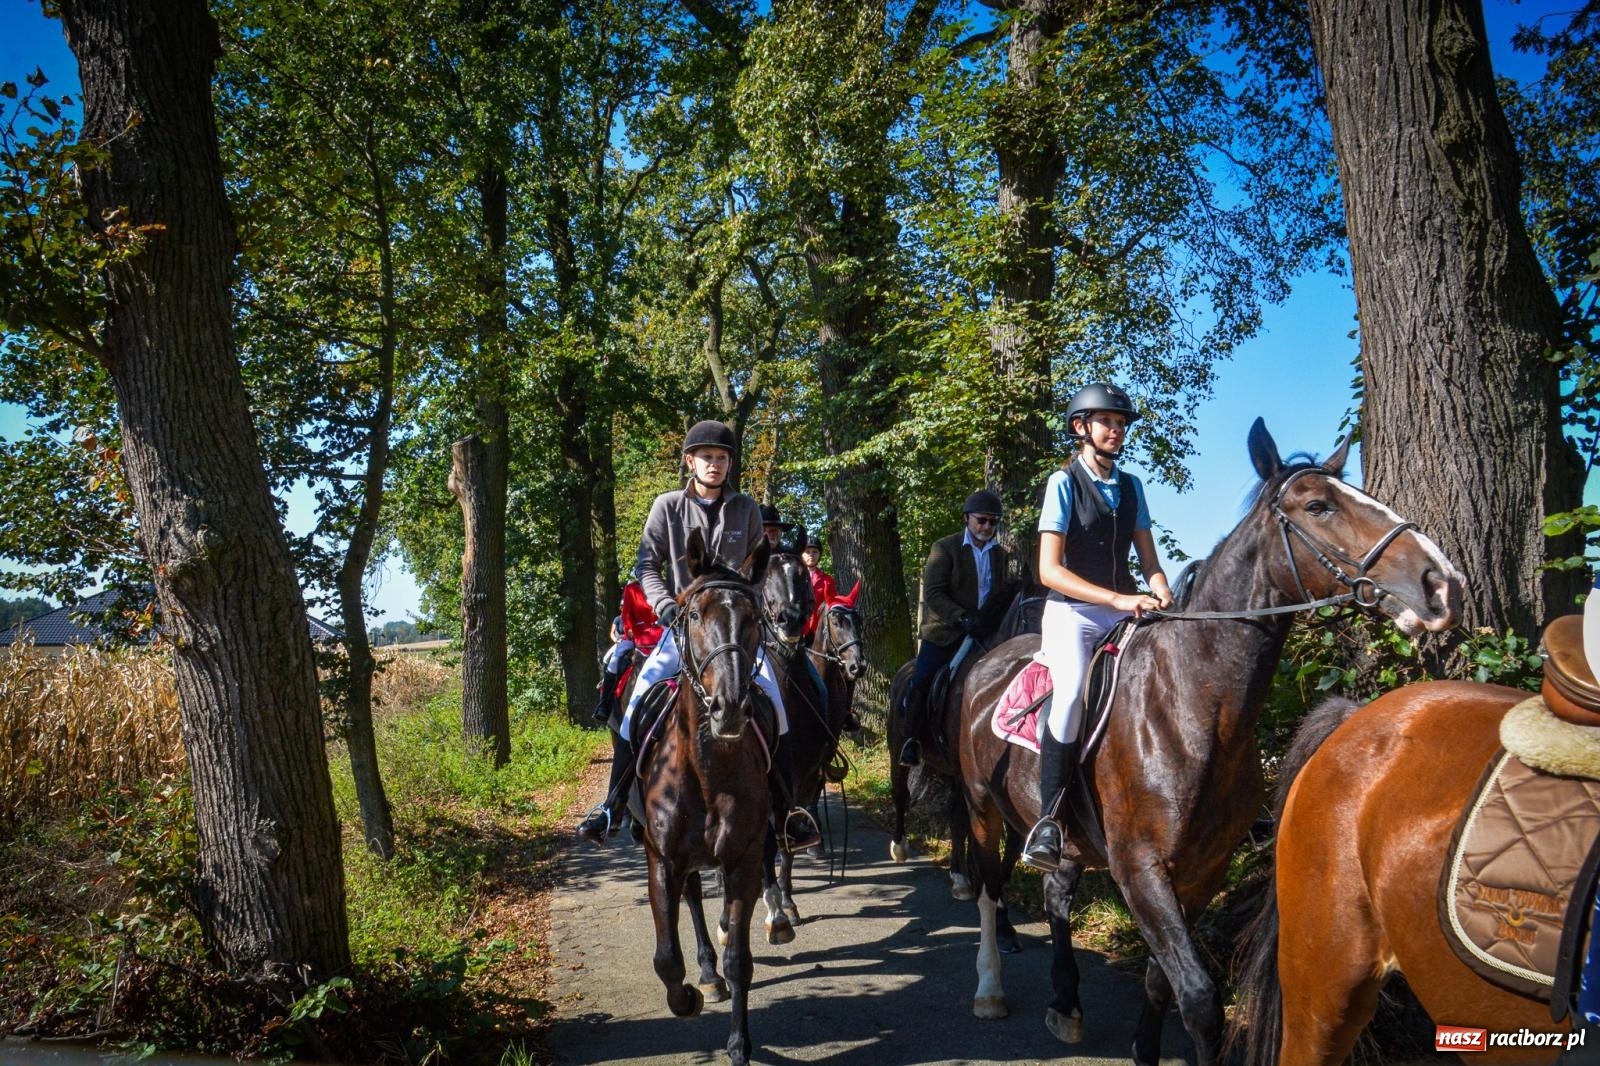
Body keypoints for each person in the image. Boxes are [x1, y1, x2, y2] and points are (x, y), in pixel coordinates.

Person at [577, 420, 821, 851]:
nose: (714, 464)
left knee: (775, 705)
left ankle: (788, 813)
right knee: (638, 700)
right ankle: (613, 805)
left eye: (722, 458)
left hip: (730, 630)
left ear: (730, 463)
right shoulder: (666, 507)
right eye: (707, 457)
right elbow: (646, 566)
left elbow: (755, 570)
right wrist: (665, 605)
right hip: (683, 627)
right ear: (690, 461)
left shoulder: (745, 508)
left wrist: (753, 612)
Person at [1021, 382, 1173, 872]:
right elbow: (1048, 570)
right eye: (1108, 421)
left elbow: (1149, 559)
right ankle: (1049, 821)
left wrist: (1161, 588)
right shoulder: (1062, 483)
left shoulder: (1132, 487)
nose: (1117, 430)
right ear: (1081, 427)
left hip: (1124, 606)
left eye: (1121, 422)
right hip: (1071, 613)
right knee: (1069, 697)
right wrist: (1115, 598)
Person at [898, 489, 1023, 768]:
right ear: (967, 518)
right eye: (982, 520)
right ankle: (910, 740)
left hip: (984, 632)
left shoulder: (1000, 555)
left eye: (993, 522)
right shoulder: (944, 547)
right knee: (922, 679)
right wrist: (962, 617)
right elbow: (933, 593)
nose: (987, 527)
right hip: (946, 631)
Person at [592, 579, 661, 723]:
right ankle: (604, 704)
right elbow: (627, 617)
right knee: (613, 660)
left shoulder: (661, 583)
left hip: (662, 637)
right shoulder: (632, 589)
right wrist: (631, 630)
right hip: (636, 637)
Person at [799, 543, 835, 642]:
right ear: (802, 554)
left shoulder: (827, 580)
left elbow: (831, 606)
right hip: (797, 627)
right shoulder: (794, 578)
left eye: (815, 552)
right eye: (807, 552)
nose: (811, 555)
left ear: (819, 555)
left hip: (819, 630)